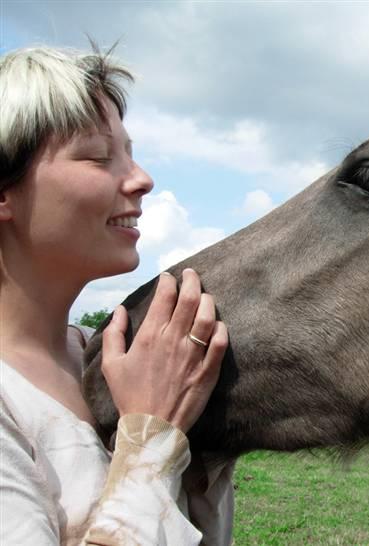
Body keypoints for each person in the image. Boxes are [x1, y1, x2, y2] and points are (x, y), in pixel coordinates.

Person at [0, 46, 234, 544]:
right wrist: (151, 436)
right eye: (98, 156)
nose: (142, 179)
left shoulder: (113, 353)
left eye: (129, 152)